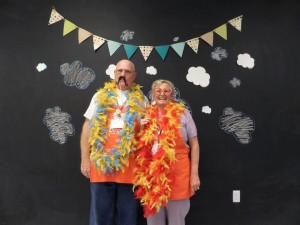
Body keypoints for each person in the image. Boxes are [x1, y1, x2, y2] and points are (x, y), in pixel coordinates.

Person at [80, 59, 148, 225]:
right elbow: (87, 127)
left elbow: (147, 133)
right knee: (99, 217)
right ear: (114, 74)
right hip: (101, 165)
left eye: (127, 72)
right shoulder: (99, 96)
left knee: (128, 218)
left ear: (134, 76)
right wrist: (85, 158)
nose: (122, 74)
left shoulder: (142, 100)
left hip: (130, 167)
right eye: (119, 71)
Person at [134, 79, 200, 225]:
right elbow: (136, 145)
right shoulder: (145, 114)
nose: (162, 94)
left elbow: (195, 145)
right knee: (154, 221)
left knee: (176, 220)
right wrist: (139, 127)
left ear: (172, 94)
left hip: (178, 174)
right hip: (152, 177)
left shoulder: (183, 114)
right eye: (158, 91)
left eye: (166, 91)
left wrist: (194, 174)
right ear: (153, 94)